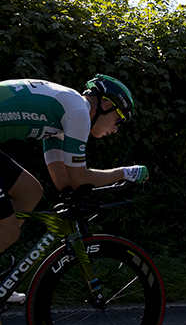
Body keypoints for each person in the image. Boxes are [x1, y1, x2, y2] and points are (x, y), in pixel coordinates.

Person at [0, 75, 149, 302]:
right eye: (119, 120)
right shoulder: (79, 112)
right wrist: (127, 172)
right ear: (107, 104)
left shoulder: (65, 113)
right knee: (9, 231)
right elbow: (79, 179)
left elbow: (63, 182)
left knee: (30, 192)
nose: (116, 129)